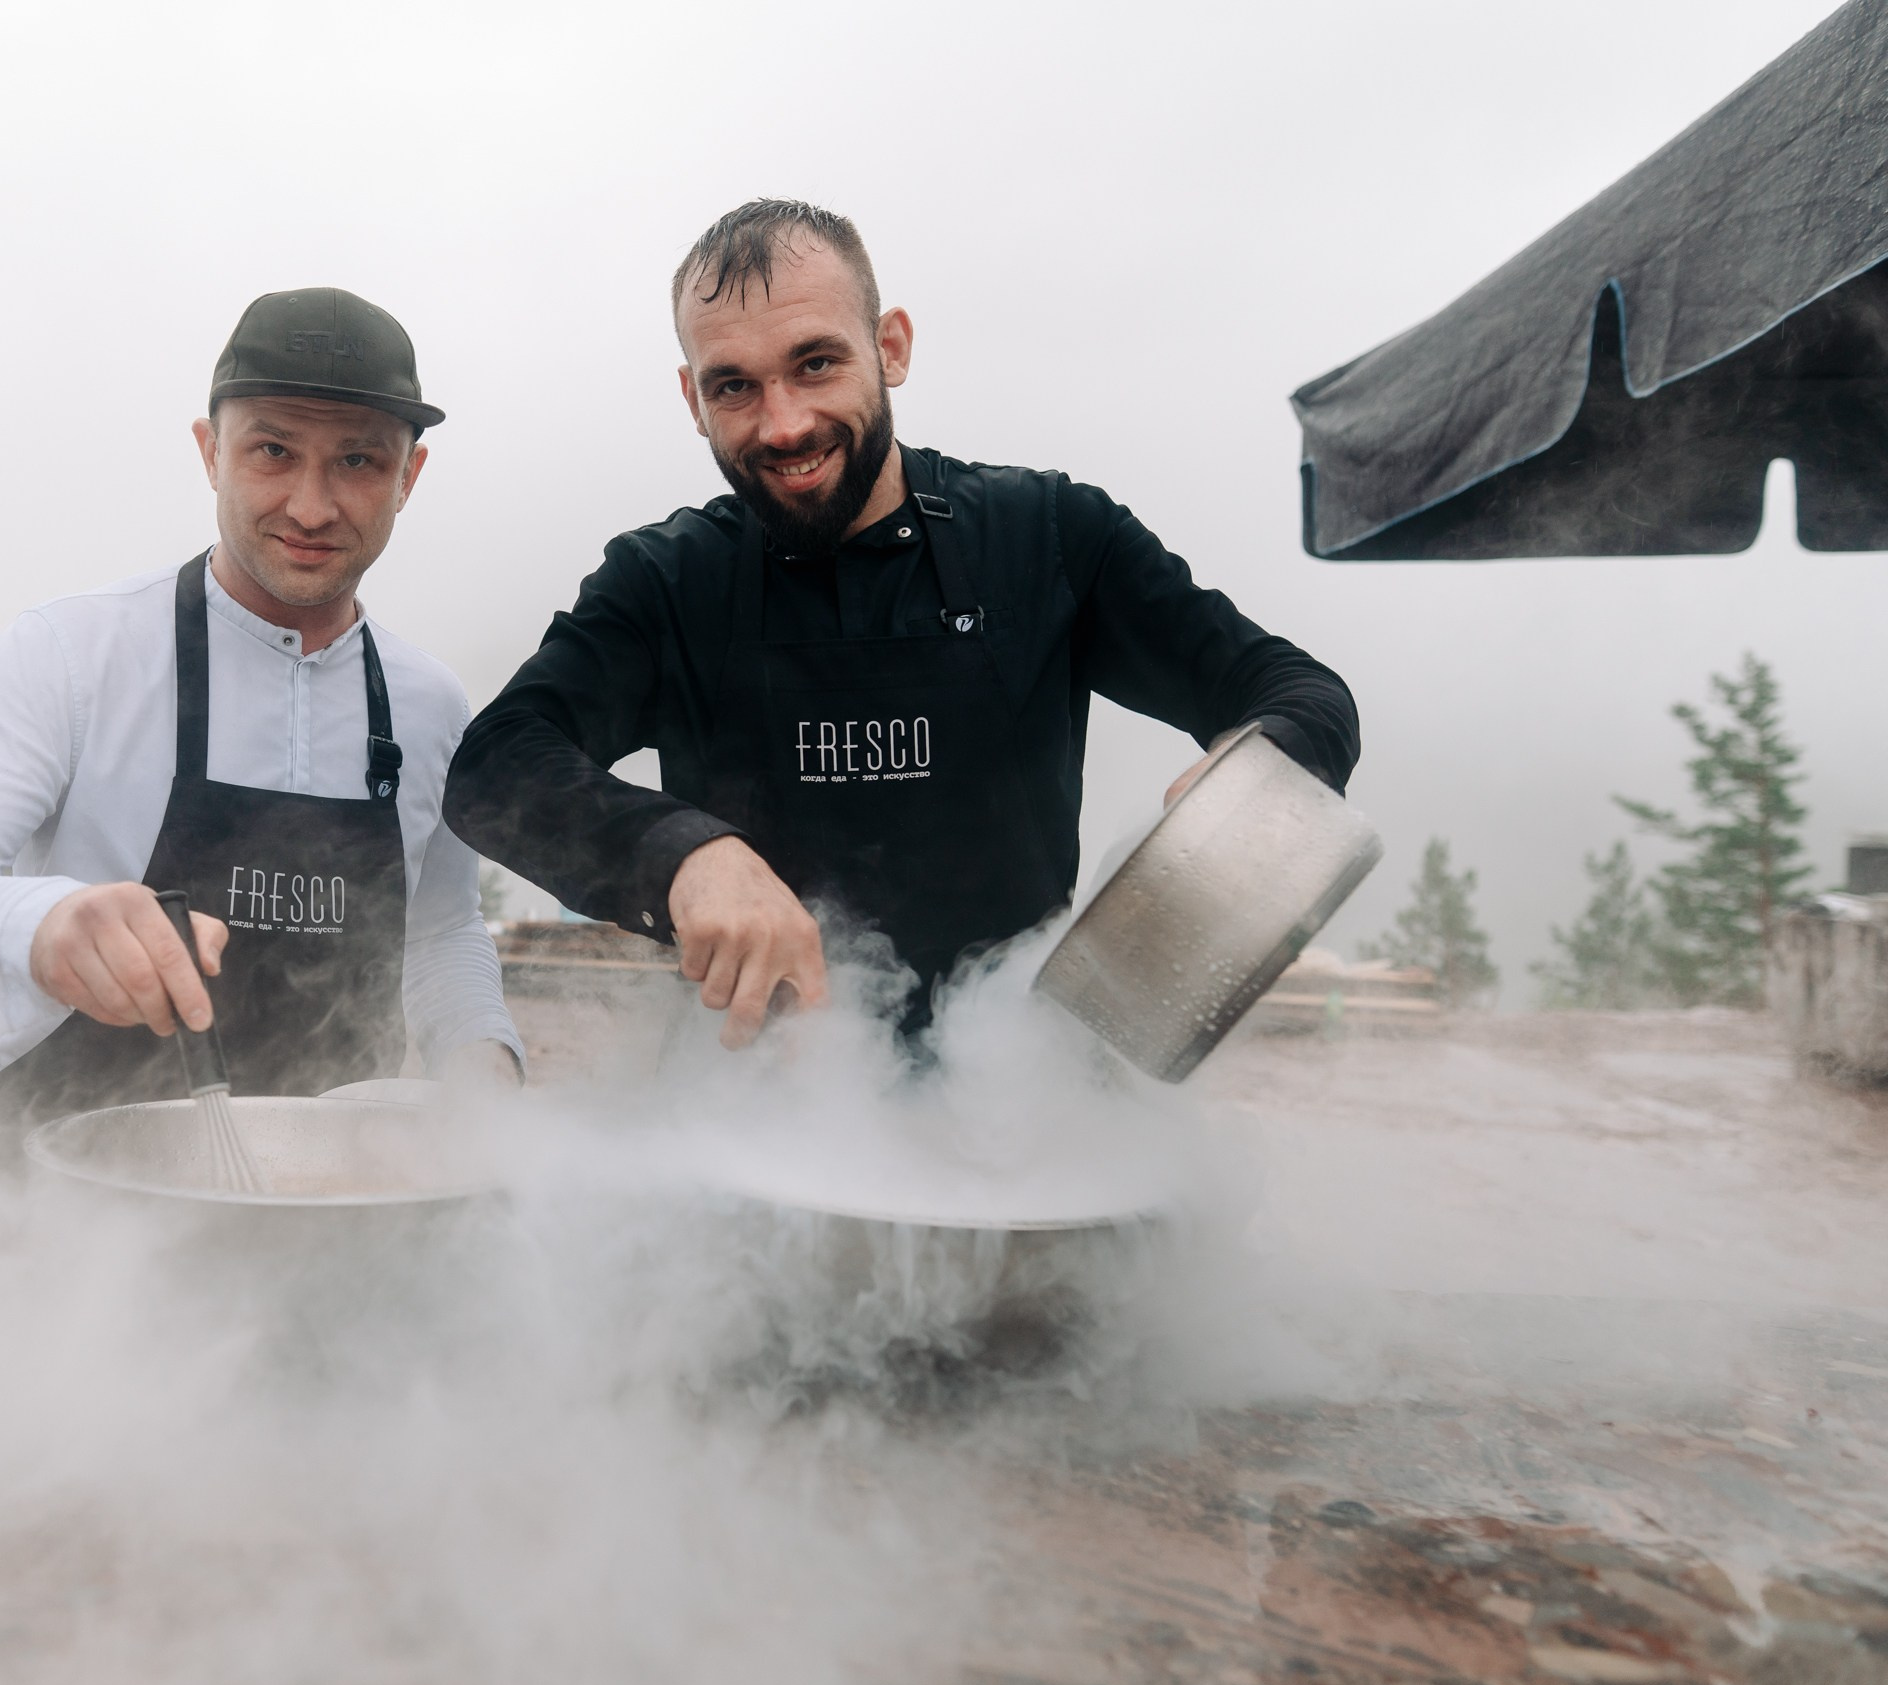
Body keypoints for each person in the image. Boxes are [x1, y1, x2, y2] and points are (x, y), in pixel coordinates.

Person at [444, 200, 1359, 1049]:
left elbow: (1300, 694)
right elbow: (496, 764)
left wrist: (1266, 764)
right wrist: (683, 857)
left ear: (890, 347)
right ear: (693, 401)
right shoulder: (666, 580)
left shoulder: (1049, 536)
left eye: (816, 362)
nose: (784, 423)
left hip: (1023, 1095)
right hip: (760, 1107)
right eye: (734, 388)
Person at [0, 287, 521, 1176]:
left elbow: (439, 933)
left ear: (409, 477)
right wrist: (47, 927)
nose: (311, 506)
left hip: (346, 1218)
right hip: (74, 1228)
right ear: (211, 453)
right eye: (273, 450)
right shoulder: (74, 655)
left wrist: (484, 1069)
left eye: (357, 460)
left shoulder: (429, 705)